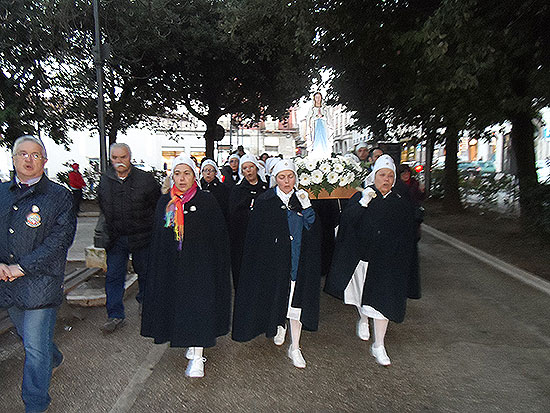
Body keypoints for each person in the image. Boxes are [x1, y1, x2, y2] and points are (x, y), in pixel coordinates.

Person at [0, 135, 76, 413]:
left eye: (35, 154)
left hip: (40, 285)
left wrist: (22, 267)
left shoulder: (59, 196)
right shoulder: (1, 192)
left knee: (33, 348)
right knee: (32, 339)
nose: (28, 159)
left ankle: (35, 404)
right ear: (14, 159)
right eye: (23, 154)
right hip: (8, 284)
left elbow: (59, 241)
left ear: (45, 160)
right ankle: (52, 357)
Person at [141, 154, 231, 378]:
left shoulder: (206, 201)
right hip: (174, 267)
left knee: (199, 309)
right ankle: (189, 343)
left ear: (195, 176)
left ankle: (199, 354)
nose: (182, 179)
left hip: (200, 267)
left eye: (187, 173)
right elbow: (160, 236)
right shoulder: (166, 202)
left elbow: (218, 236)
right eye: (178, 173)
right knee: (180, 308)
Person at [326, 154, 419, 366]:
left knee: (381, 302)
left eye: (389, 176)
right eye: (381, 175)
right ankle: (363, 318)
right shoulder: (361, 197)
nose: (386, 180)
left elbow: (407, 234)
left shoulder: (400, 203)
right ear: (374, 176)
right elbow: (347, 222)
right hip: (362, 258)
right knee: (361, 296)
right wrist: (363, 204)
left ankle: (379, 345)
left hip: (386, 262)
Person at [232, 160, 321, 369]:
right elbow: (257, 234)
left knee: (296, 302)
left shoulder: (302, 199)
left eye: (290, 176)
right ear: (275, 179)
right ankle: (278, 324)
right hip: (275, 262)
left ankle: (295, 346)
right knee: (278, 297)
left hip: (298, 260)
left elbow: (314, 230)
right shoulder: (265, 200)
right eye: (282, 177)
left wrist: (307, 207)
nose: (287, 181)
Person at [97, 143, 161, 333]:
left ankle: (146, 306)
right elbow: (103, 206)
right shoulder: (105, 181)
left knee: (146, 274)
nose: (119, 162)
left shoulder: (145, 180)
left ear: (130, 157)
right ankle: (115, 315)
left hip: (142, 238)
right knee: (114, 276)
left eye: (123, 157)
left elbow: (157, 205)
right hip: (116, 239)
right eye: (115, 158)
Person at [228, 154, 268, 288]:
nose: (249, 171)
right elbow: (233, 214)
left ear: (256, 168)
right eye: (245, 168)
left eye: (251, 167)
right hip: (242, 236)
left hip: (262, 235)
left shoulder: (265, 188)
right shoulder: (237, 190)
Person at [306, 92, 333, 158]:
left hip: (324, 127)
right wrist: (316, 117)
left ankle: (325, 155)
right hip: (315, 128)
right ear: (314, 99)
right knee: (315, 141)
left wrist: (322, 117)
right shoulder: (312, 109)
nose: (318, 99)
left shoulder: (325, 109)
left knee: (325, 141)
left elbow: (329, 119)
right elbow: (309, 120)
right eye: (316, 97)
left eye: (319, 97)